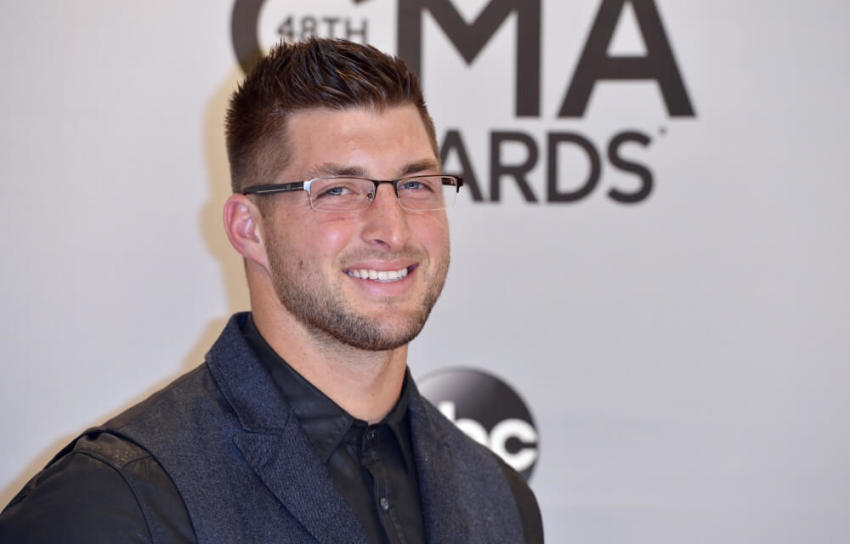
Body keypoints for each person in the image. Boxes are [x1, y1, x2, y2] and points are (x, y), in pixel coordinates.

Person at [0, 38, 543, 543]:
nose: (393, 229)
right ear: (247, 229)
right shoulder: (112, 500)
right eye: (338, 190)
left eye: (416, 185)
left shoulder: (498, 497)